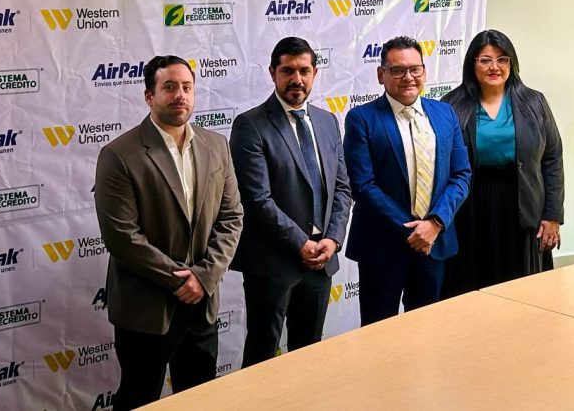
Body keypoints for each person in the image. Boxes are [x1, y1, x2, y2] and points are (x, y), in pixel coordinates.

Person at [94, 55, 243, 410]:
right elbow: (122, 236)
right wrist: (181, 280)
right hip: (146, 308)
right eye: (170, 87)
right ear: (149, 95)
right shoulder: (119, 154)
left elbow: (232, 217)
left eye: (187, 87)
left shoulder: (217, 145)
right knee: (139, 397)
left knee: (200, 399)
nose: (180, 95)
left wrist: (203, 277)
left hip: (202, 304)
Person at [230, 37, 351, 366]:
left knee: (309, 357)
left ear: (314, 73)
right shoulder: (250, 125)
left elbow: (342, 188)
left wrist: (332, 239)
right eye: (287, 71)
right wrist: (301, 243)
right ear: (273, 73)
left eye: (304, 71)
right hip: (272, 263)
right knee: (262, 357)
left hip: (321, 260)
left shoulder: (328, 121)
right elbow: (257, 199)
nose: (296, 79)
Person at [343, 35, 471, 325]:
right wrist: (413, 231)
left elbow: (461, 174)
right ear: (381, 74)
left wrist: (435, 223)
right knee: (378, 334)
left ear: (424, 71)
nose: (408, 77)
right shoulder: (361, 118)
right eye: (398, 70)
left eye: (415, 69)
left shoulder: (445, 113)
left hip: (434, 244)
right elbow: (363, 186)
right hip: (381, 247)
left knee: (427, 332)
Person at [441, 29, 564, 297]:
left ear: (512, 63)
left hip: (523, 203)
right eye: (485, 60)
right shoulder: (452, 104)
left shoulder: (534, 102)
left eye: (502, 59)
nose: (494, 67)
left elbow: (552, 159)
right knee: (471, 287)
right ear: (472, 64)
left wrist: (553, 215)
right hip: (470, 206)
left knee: (523, 291)